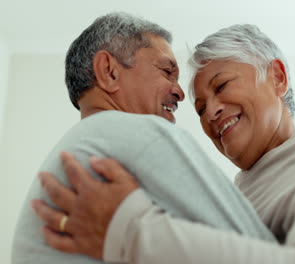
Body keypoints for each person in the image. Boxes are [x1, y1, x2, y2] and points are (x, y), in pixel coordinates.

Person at [31, 22, 295, 264]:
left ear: (277, 78)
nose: (209, 113)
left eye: (222, 86)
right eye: (202, 107)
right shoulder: (237, 191)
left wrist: (129, 231)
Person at [12, 13, 275, 264]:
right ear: (109, 71)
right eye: (166, 71)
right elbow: (259, 249)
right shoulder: (139, 133)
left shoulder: (79, 146)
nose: (181, 93)